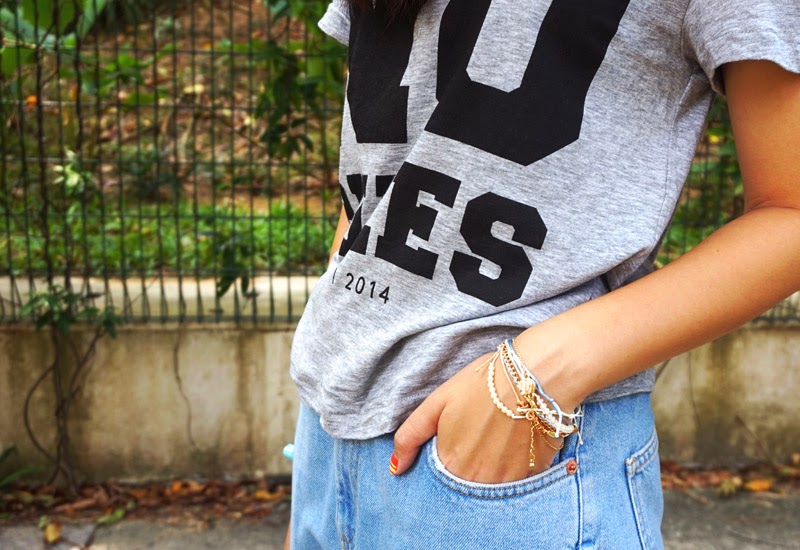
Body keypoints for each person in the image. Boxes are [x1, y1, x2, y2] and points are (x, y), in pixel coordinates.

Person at [286, 0, 800, 547]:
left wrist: (533, 376)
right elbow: (382, 176)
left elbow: (788, 213)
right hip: (327, 433)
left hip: (513, 462)